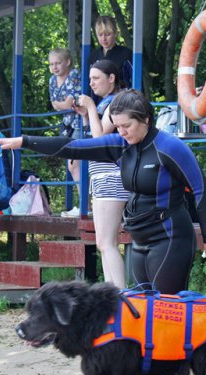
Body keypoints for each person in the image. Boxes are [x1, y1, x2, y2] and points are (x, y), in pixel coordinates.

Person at [0, 89, 206, 375]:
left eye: (126, 126)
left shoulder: (171, 148)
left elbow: (200, 193)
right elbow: (72, 147)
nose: (121, 132)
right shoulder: (118, 145)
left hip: (170, 237)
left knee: (164, 316)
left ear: (145, 120)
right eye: (117, 126)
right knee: (138, 317)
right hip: (138, 240)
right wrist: (24, 141)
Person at [70, 60, 130, 288]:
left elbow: (100, 137)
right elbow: (97, 131)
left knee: (107, 243)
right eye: (90, 79)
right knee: (105, 242)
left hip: (111, 177)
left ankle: (121, 296)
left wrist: (91, 109)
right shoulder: (109, 101)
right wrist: (87, 115)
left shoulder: (116, 101)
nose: (91, 83)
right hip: (103, 177)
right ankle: (112, 295)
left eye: (96, 78)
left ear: (111, 78)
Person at [48, 48, 82, 216]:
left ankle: (85, 206)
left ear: (67, 62)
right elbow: (54, 104)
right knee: (72, 165)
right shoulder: (52, 81)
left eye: (58, 63)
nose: (55, 67)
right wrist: (63, 104)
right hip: (67, 125)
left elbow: (68, 104)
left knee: (75, 164)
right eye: (52, 64)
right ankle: (85, 204)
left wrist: (62, 104)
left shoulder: (75, 75)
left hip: (81, 123)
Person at [87, 16, 133, 92]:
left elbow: (134, 80)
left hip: (122, 100)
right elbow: (89, 85)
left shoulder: (126, 54)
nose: (103, 39)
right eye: (100, 35)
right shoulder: (93, 57)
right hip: (98, 102)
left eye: (107, 34)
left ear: (115, 33)